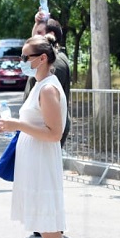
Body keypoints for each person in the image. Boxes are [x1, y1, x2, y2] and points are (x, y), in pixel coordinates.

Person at [0, 35, 70, 238]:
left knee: (49, 223)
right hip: (35, 163)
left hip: (42, 163)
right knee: (44, 222)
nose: (21, 61)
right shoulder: (40, 85)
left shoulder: (48, 89)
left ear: (42, 58)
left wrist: (17, 125)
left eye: (25, 57)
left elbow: (54, 133)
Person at [24, 12, 71, 147]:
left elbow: (50, 112)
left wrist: (18, 125)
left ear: (50, 35)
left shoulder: (56, 64)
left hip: (43, 139)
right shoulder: (42, 63)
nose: (34, 36)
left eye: (39, 32)